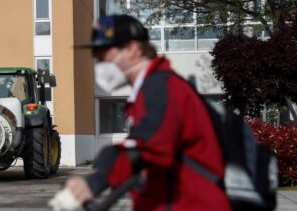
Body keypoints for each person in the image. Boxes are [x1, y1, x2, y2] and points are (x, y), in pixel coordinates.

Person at [49, 14, 231, 211]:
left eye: (103, 53)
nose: (98, 61)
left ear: (132, 50)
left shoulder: (160, 87)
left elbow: (152, 147)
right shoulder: (152, 88)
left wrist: (97, 180)